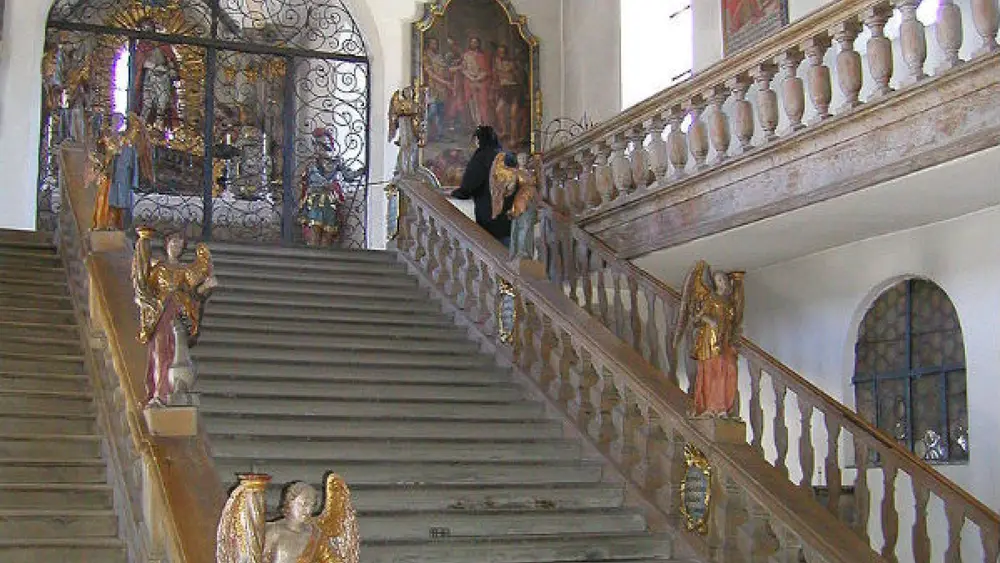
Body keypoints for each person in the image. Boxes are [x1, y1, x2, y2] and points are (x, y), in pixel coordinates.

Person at [450, 126, 512, 245]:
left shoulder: (481, 157)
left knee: (489, 252)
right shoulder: (508, 157)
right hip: (509, 217)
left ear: (480, 139)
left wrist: (460, 193)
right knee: (506, 255)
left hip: (488, 214)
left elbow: (471, 182)